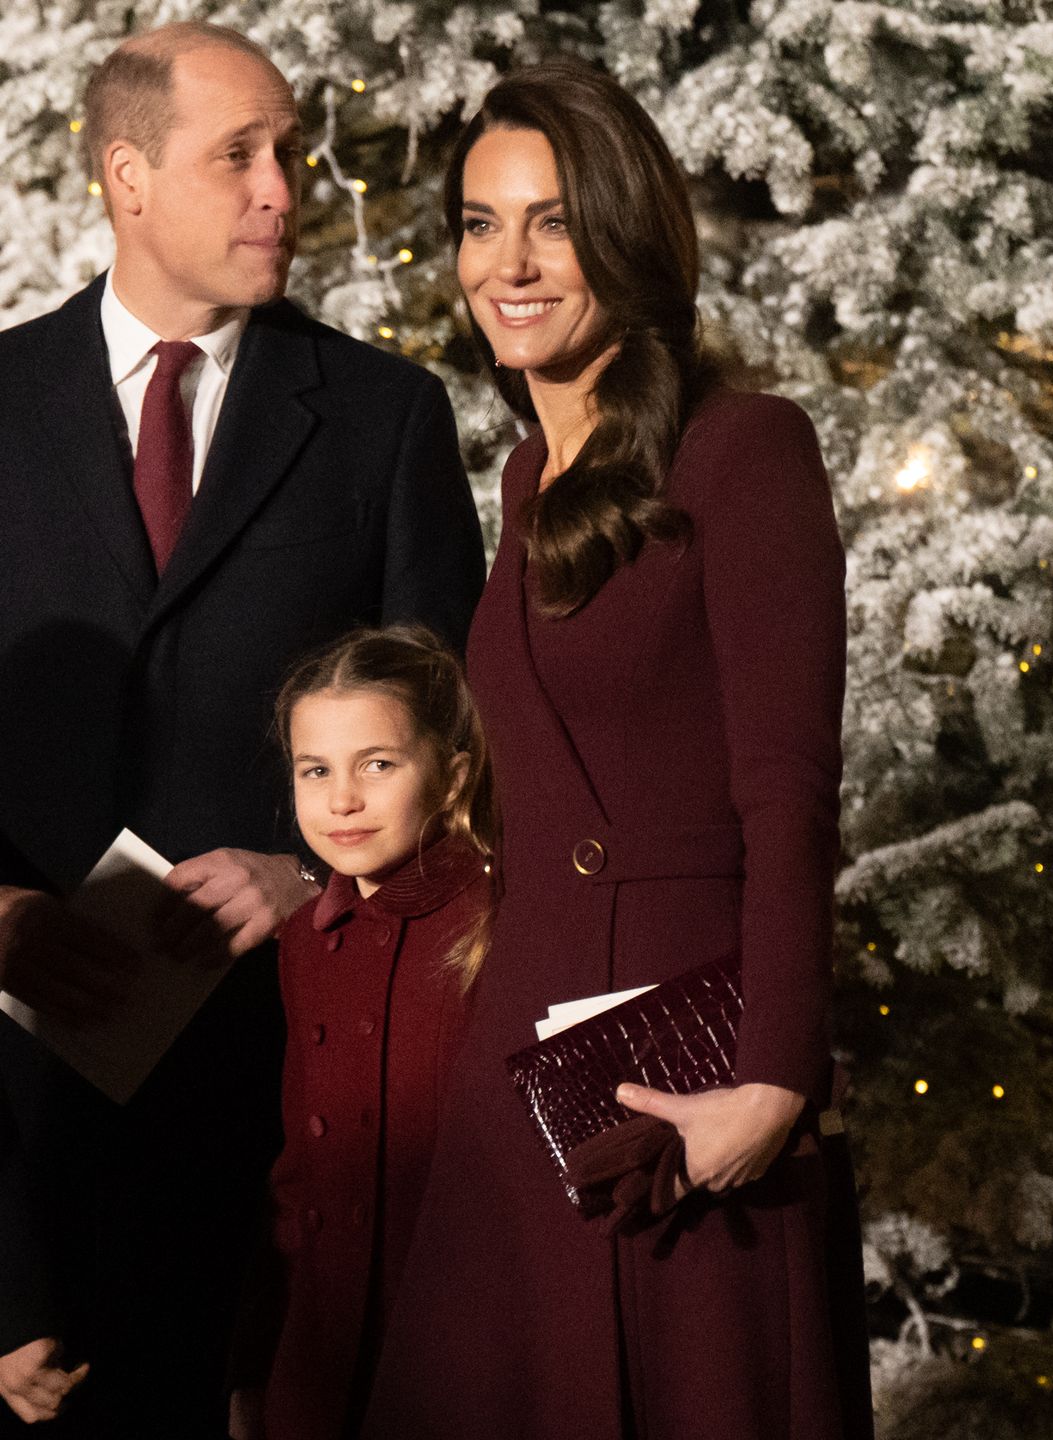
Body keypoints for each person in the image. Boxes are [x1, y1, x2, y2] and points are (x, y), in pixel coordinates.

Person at [360, 62, 874, 1440]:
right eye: (480, 223)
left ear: (628, 238)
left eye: (552, 222)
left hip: (688, 1091)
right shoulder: (527, 478)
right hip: (523, 1080)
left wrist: (771, 1083)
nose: (508, 263)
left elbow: (790, 798)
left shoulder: (745, 449)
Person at [0, 21, 484, 1437]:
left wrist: (307, 871)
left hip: (289, 1112)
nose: (286, 186)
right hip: (20, 1134)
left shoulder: (384, 418)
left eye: (290, 150)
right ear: (127, 177)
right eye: (242, 155)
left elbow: (456, 725)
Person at [227, 625, 494, 1439]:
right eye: (316, 771)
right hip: (328, 1346)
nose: (342, 799)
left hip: (465, 1344)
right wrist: (257, 1365)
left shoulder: (497, 918)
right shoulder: (307, 940)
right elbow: (299, 1174)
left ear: (451, 777)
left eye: (377, 764)